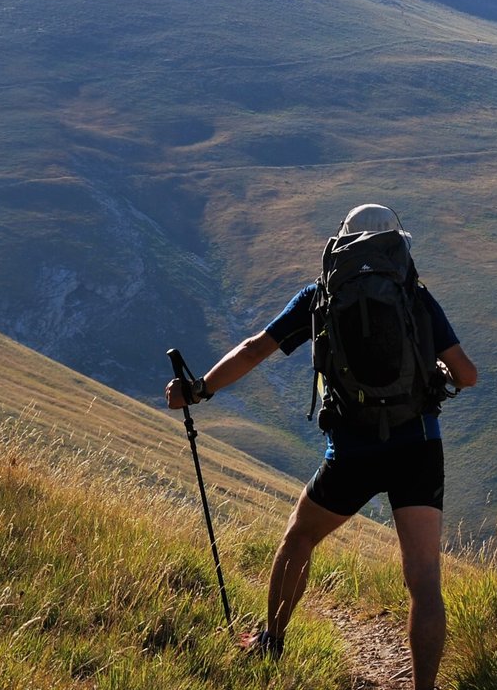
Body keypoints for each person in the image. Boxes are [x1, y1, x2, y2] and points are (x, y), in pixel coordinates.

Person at [165, 203, 478, 690]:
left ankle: (271, 641)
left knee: (299, 537)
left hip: (352, 452)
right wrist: (432, 373)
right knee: (423, 580)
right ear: (399, 244)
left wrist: (201, 388)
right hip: (417, 446)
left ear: (341, 242)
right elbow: (468, 375)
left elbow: (255, 348)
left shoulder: (320, 296)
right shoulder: (416, 297)